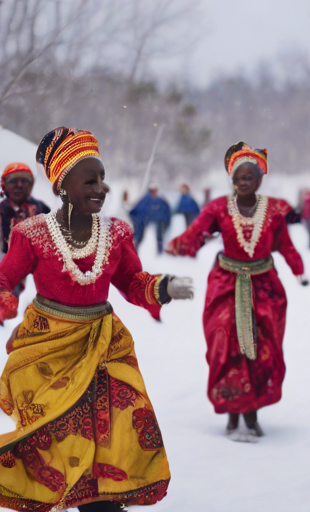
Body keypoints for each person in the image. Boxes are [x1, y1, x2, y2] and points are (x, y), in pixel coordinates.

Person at [0, 127, 193, 512]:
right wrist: (5, 301)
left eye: (103, 179)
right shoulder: (32, 233)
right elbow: (4, 278)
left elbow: (132, 282)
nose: (102, 188)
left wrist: (162, 287)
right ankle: (73, 491)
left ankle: (105, 497)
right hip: (48, 349)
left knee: (122, 421)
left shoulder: (117, 232)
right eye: (91, 180)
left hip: (105, 344)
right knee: (62, 431)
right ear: (61, 185)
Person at [166, 142, 305, 442]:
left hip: (264, 286)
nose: (243, 182)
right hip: (225, 284)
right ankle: (232, 410)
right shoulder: (218, 207)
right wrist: (178, 245)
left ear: (259, 179)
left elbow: (285, 244)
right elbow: (197, 233)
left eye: (249, 177)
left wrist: (298, 269)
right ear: (232, 180)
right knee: (224, 343)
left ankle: (252, 414)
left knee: (261, 349)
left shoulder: (274, 209)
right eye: (238, 178)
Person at [0, 163, 51, 297]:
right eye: (13, 181)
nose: (19, 185)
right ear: (4, 186)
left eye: (24, 181)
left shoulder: (43, 211)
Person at [129, 184, 171, 254]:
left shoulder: (160, 200)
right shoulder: (146, 199)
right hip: (141, 220)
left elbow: (166, 211)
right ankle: (134, 251)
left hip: (157, 221)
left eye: (156, 191)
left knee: (159, 236)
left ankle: (160, 251)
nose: (155, 192)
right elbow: (138, 210)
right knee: (139, 237)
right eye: (153, 191)